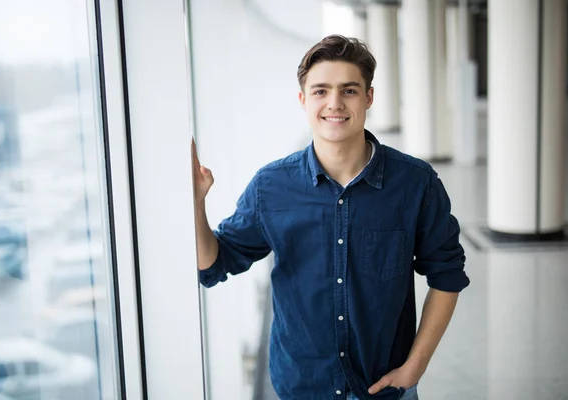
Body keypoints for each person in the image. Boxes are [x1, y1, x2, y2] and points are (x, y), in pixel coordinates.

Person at [192, 34, 469, 400]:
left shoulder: (416, 184)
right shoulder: (271, 186)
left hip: (386, 388)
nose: (334, 103)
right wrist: (196, 204)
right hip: (301, 387)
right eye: (321, 91)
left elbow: (447, 276)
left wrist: (415, 366)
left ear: (369, 97)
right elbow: (214, 265)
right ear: (303, 99)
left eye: (349, 91)